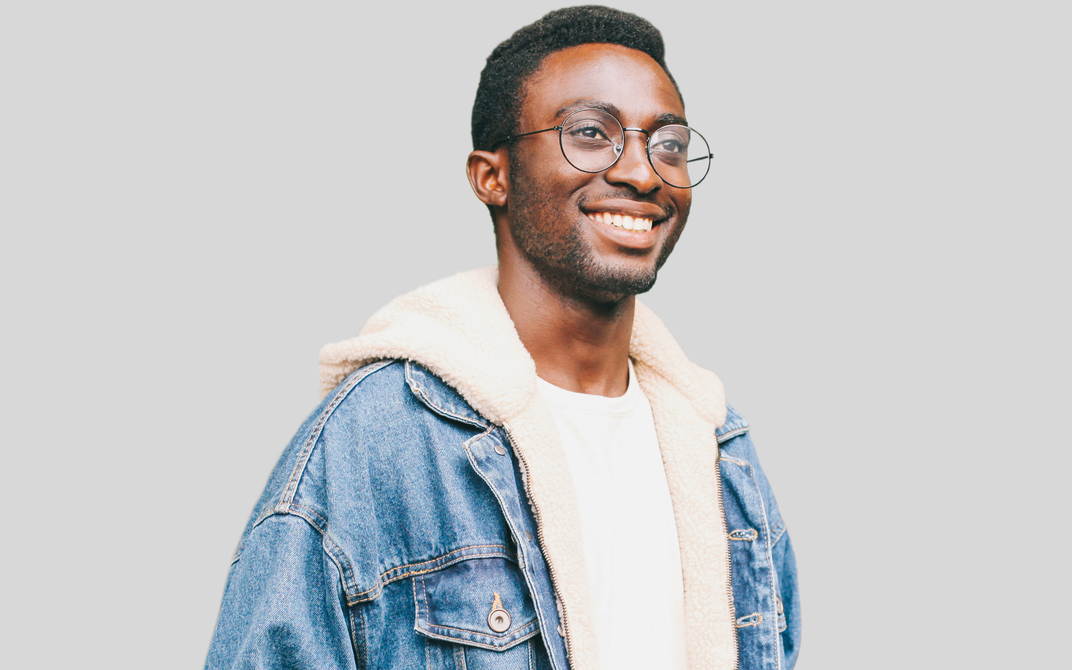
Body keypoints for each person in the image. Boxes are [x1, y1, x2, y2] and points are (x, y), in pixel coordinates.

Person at [205, 6, 800, 669]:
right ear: (493, 176)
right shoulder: (373, 444)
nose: (643, 172)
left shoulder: (722, 456)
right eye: (590, 133)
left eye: (668, 144)